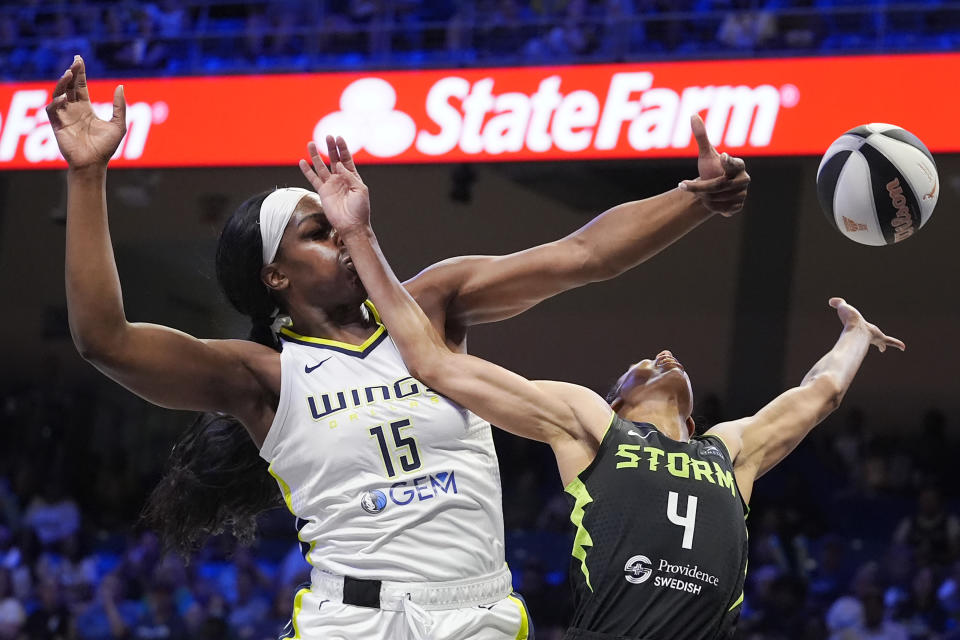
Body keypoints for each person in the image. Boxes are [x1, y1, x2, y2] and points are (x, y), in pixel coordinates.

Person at [48, 54, 748, 639]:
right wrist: (87, 175)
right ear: (276, 275)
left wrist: (694, 200)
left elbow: (584, 254)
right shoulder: (262, 376)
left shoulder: (433, 305)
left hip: (478, 613)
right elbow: (105, 340)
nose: (341, 237)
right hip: (351, 621)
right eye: (319, 234)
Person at [301, 136, 905, 640]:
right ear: (614, 397)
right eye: (643, 362)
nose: (664, 356)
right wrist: (360, 237)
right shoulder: (592, 426)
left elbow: (819, 394)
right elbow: (435, 364)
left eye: (666, 359)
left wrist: (856, 335)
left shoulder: (730, 450)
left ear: (694, 424)